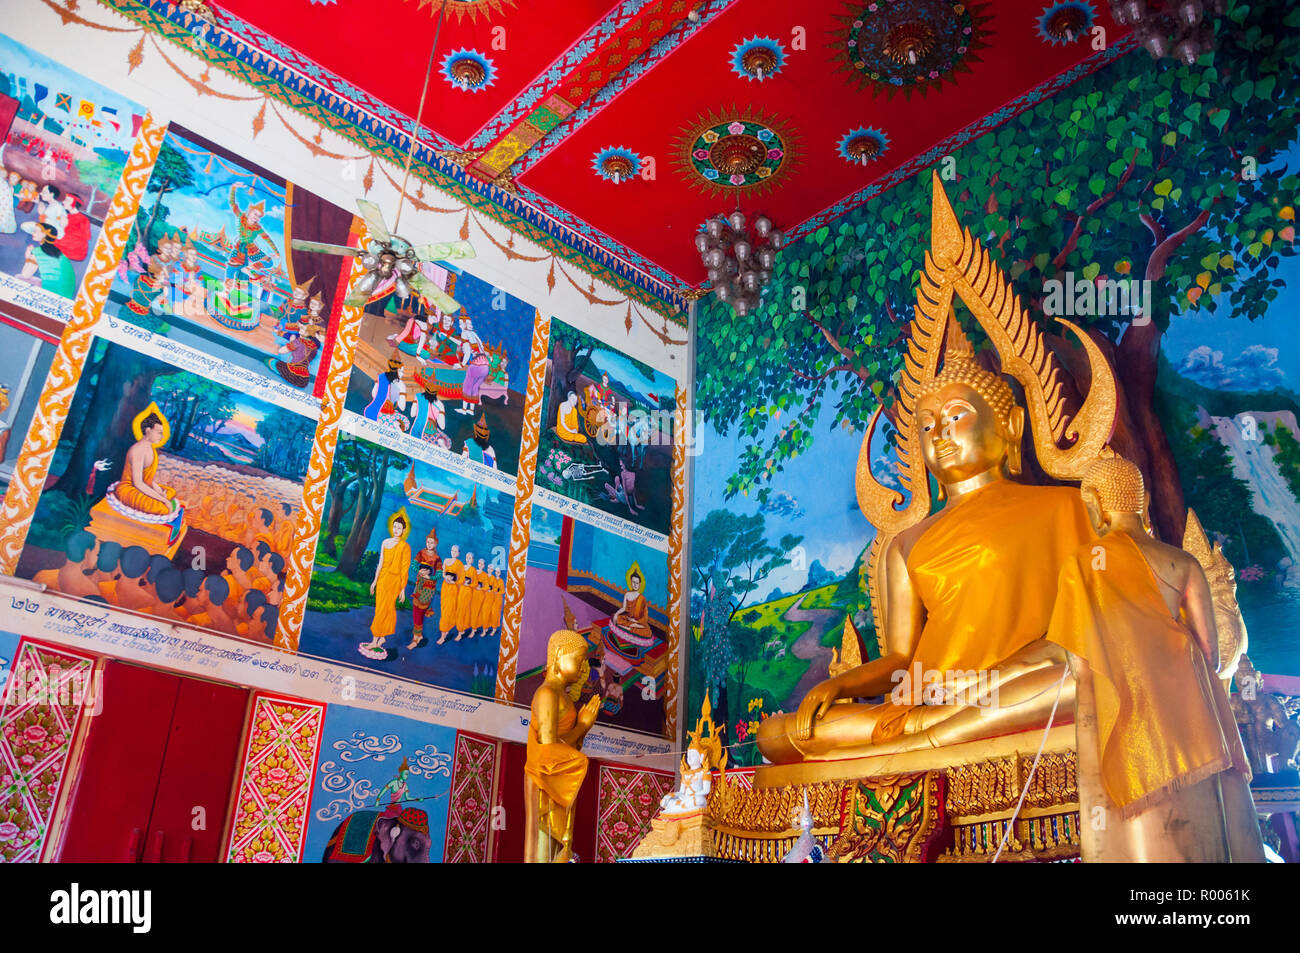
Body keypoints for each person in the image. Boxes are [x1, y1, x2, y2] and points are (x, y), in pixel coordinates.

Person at [1047, 456, 1264, 862]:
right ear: (1140, 502)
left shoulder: (1084, 563)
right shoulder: (1183, 561)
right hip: (1193, 708)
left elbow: (1079, 665)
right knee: (1203, 810)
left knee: (1140, 823)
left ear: (1094, 501)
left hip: (1126, 702)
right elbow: (1212, 654)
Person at [524, 630, 601, 863]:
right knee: (544, 847)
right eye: (578, 660)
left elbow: (569, 751)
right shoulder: (547, 693)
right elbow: (548, 750)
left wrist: (581, 730)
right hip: (544, 779)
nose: (582, 668)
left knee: (558, 847)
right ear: (559, 654)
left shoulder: (565, 698)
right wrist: (582, 726)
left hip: (560, 780)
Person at [111, 407, 185, 545]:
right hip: (130, 489)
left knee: (170, 492)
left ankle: (162, 500)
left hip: (142, 487)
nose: (161, 436)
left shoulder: (151, 449)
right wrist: (164, 501)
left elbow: (148, 480)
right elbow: (138, 483)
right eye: (159, 433)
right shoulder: (138, 450)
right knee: (163, 507)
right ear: (148, 431)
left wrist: (158, 491)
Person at [362, 511, 411, 659]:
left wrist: (402, 590)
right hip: (383, 579)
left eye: (399, 528)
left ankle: (375, 640)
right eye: (394, 527)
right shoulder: (385, 542)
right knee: (381, 608)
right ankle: (381, 637)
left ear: (403, 531)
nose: (396, 530)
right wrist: (375, 581)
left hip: (395, 581)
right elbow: (381, 563)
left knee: (386, 608)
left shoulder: (405, 547)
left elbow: (404, 569)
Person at [438, 544, 463, 645]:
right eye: (452, 550)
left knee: (449, 611)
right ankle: (446, 628)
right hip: (445, 588)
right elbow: (443, 573)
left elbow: (461, 579)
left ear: (459, 553)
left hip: (453, 589)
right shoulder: (446, 561)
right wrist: (446, 578)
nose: (453, 553)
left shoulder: (460, 564)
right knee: (444, 609)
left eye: (456, 551)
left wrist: (454, 582)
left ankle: (443, 636)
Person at [0, 170, 18, 234]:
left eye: (15, 177)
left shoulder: (16, 187)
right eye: (12, 177)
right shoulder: (4, 183)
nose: (13, 178)